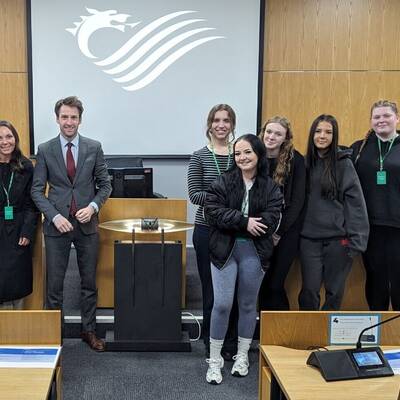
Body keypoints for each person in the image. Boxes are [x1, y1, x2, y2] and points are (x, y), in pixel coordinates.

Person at [31, 96, 112, 351]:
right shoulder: (45, 150)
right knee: (54, 285)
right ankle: (54, 334)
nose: (69, 122)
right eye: (64, 117)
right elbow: (36, 191)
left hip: (87, 226)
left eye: (73, 117)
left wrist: (93, 207)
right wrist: (54, 216)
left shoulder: (93, 147)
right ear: (57, 119)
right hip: (57, 226)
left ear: (80, 119)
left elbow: (105, 184)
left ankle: (89, 331)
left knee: (88, 283)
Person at [204, 134, 283, 384]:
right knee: (223, 304)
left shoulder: (270, 186)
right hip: (224, 251)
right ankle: (215, 361)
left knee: (248, 305)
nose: (242, 158)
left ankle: (242, 356)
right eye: (237, 153)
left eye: (247, 152)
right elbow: (212, 212)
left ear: (258, 154)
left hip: (254, 251)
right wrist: (244, 221)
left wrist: (242, 223)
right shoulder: (223, 181)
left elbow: (271, 219)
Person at [299, 114, 369, 311]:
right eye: (318, 131)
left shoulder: (344, 164)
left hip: (339, 241)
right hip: (308, 240)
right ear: (312, 134)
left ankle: (327, 339)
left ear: (334, 136)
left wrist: (358, 240)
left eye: (328, 132)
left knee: (334, 292)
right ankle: (309, 335)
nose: (322, 136)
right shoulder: (303, 164)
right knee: (309, 291)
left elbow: (355, 204)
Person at [187, 104, 239, 359]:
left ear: (232, 125)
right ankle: (210, 341)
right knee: (211, 290)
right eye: (216, 120)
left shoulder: (240, 153)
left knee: (233, 292)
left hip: (236, 231)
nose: (221, 125)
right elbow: (195, 195)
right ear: (210, 124)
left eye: (226, 120)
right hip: (207, 230)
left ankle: (230, 341)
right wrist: (226, 197)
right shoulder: (199, 156)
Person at [351, 100, 400, 310]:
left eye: (386, 116)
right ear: (371, 121)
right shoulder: (359, 148)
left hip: (398, 226)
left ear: (397, 118)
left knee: (398, 280)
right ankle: (378, 331)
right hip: (369, 227)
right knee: (376, 278)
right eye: (376, 117)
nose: (381, 120)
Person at [258, 116, 306, 310]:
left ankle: (280, 332)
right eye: (269, 132)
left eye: (278, 133)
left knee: (276, 284)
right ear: (263, 133)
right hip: (258, 230)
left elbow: (297, 201)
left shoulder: (297, 160)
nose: (271, 137)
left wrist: (278, 233)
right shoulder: (252, 157)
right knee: (261, 283)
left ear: (285, 138)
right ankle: (262, 332)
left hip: (286, 233)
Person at [0, 120, 38, 309]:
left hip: (19, 230)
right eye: (0, 138)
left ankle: (16, 330)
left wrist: (27, 231)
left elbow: (32, 204)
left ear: (15, 138)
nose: (5, 142)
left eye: (8, 136)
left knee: (16, 281)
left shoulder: (26, 166)